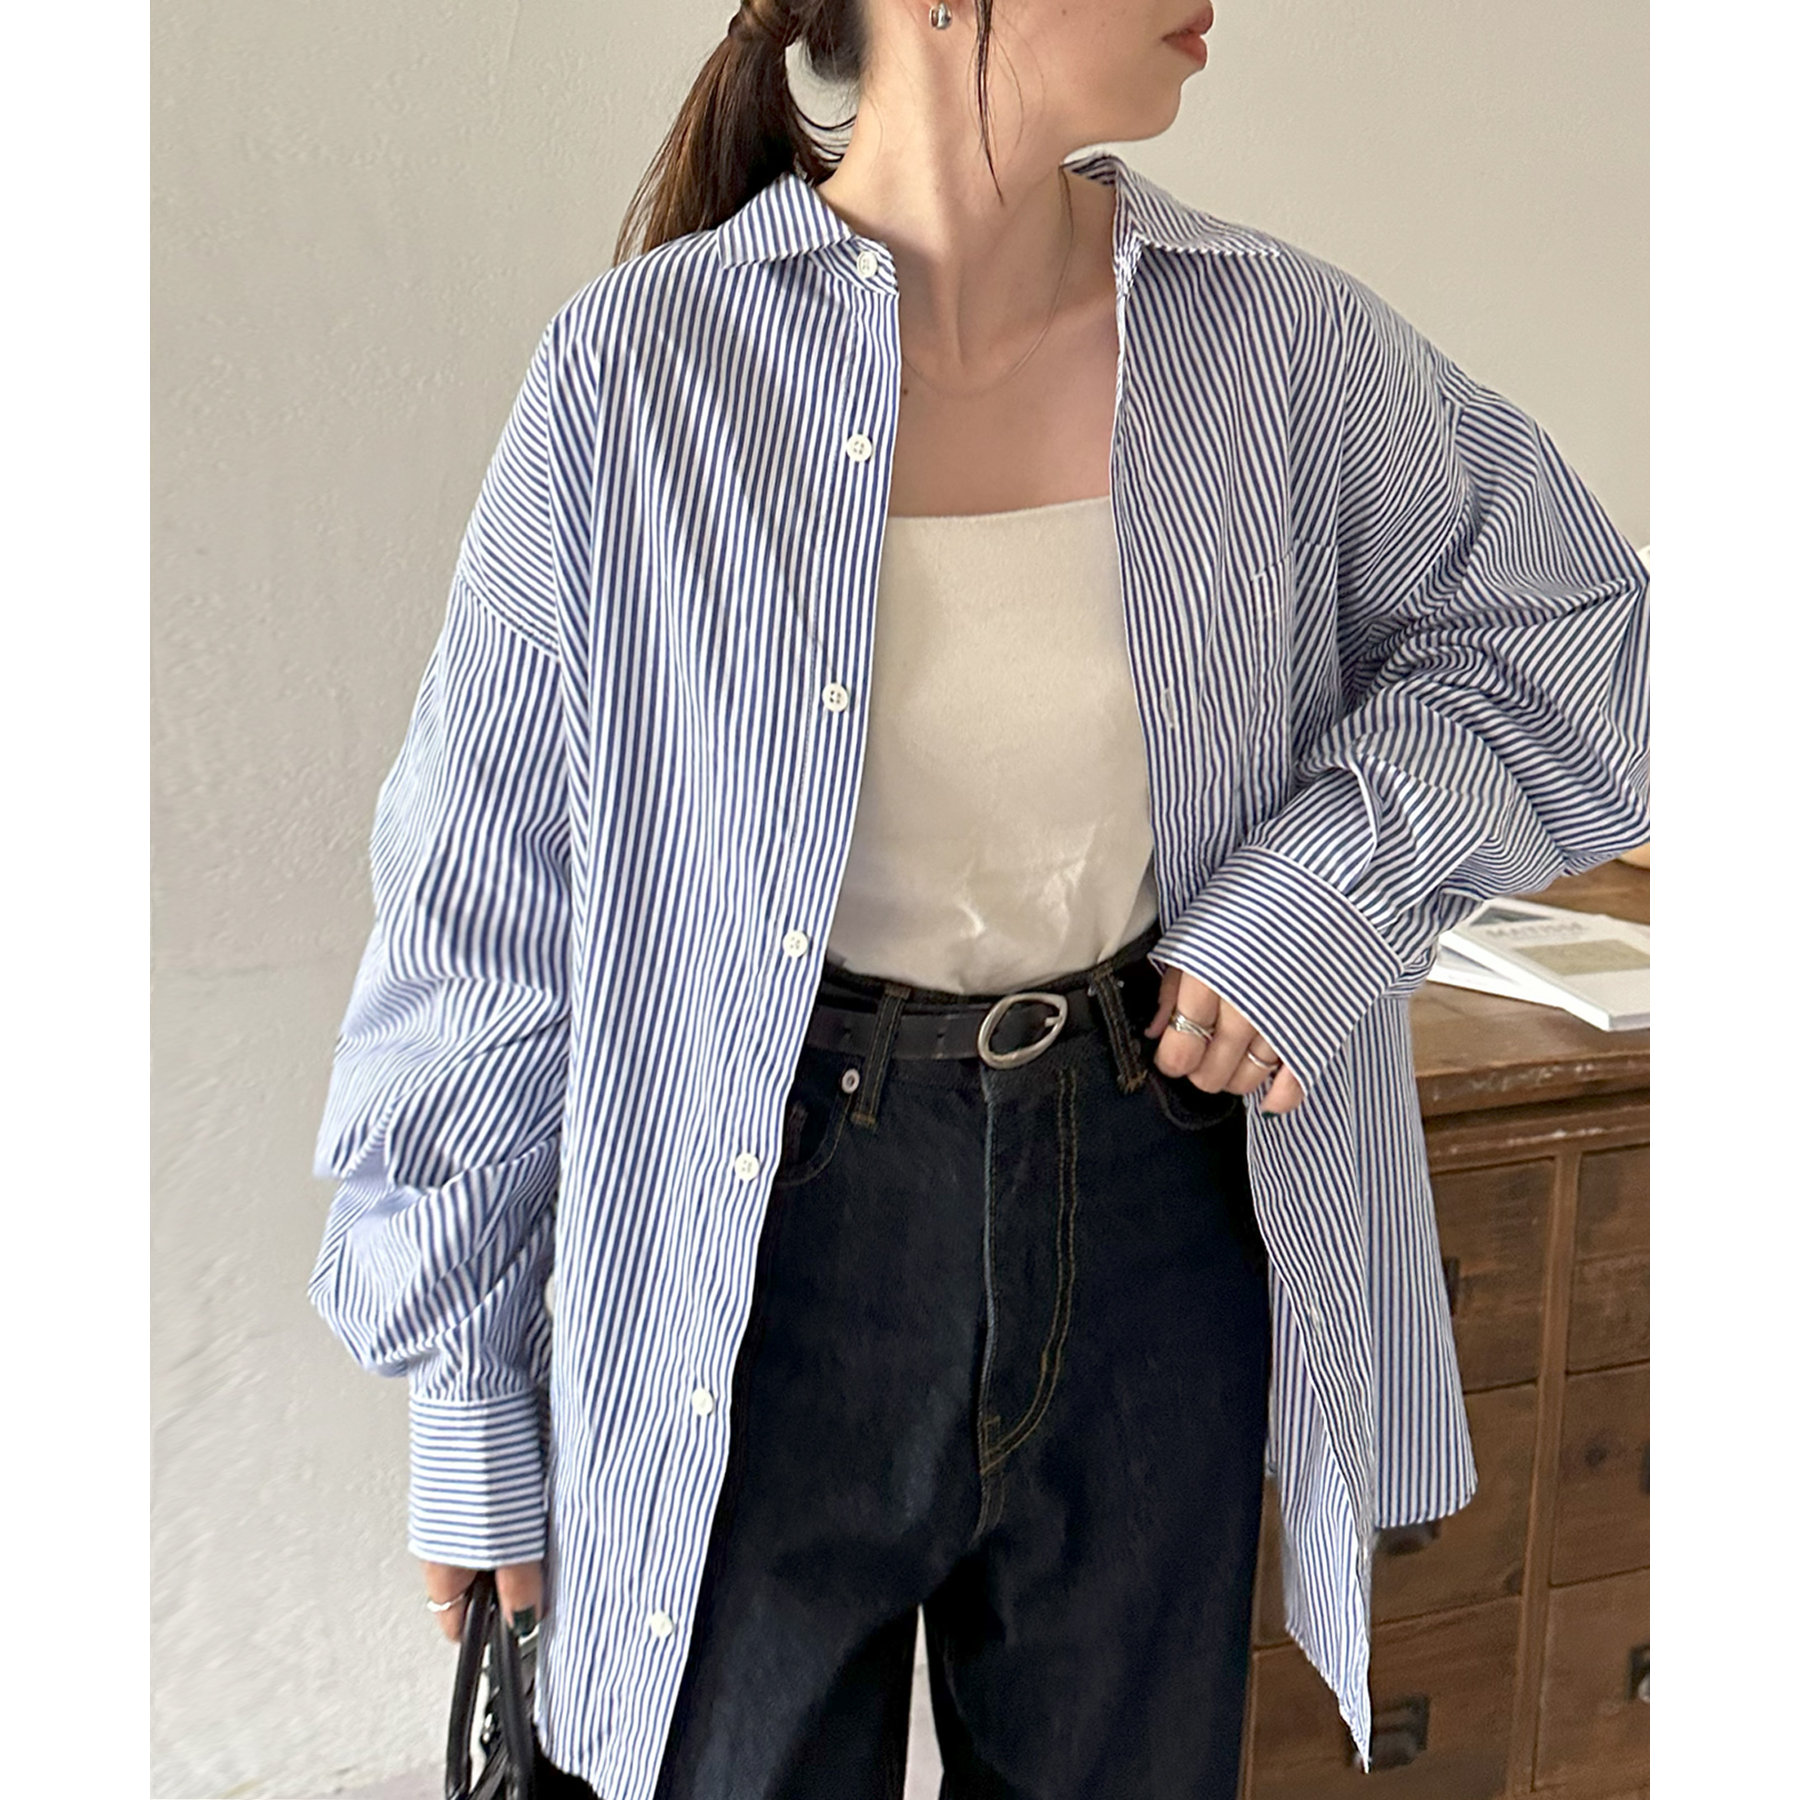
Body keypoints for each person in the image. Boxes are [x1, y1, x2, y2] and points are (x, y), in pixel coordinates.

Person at [306, 3, 1651, 1796]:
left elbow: (1585, 636)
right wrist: (467, 1393)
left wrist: (1317, 901)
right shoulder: (639, 378)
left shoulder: (1282, 349)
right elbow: (486, 913)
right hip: (749, 1255)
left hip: (1157, 1211)